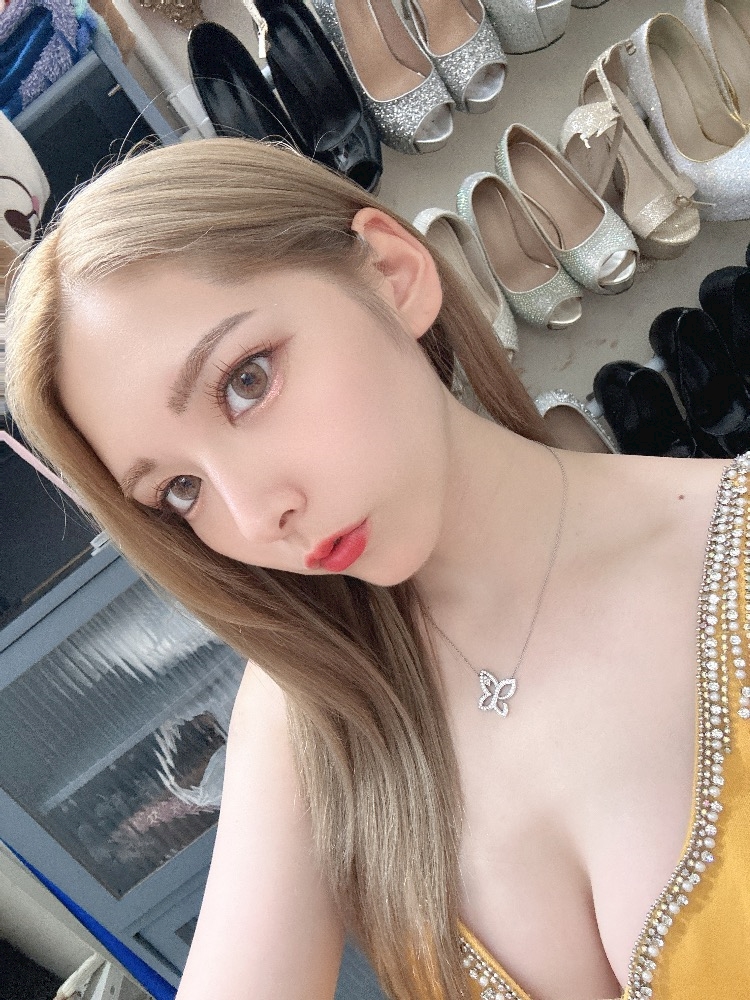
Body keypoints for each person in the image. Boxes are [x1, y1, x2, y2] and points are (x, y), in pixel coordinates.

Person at [5, 138, 749, 1000]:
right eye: (180, 489)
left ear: (393, 275)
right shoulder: (316, 713)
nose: (255, 514)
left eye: (246, 381)